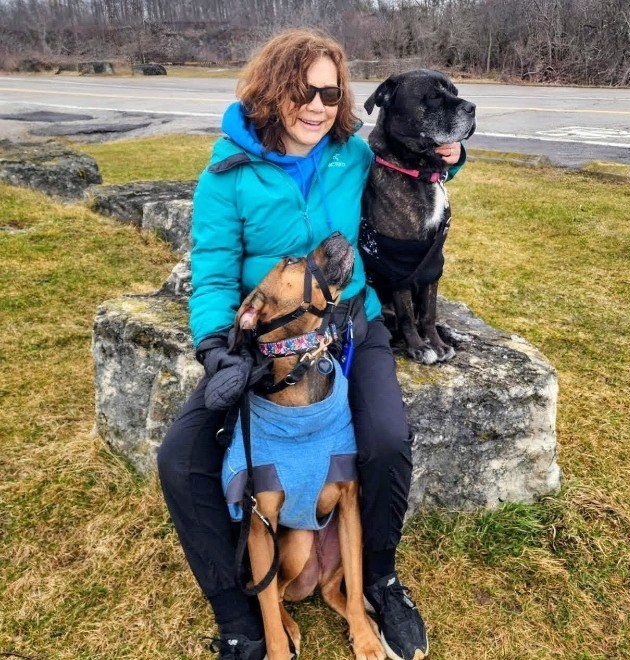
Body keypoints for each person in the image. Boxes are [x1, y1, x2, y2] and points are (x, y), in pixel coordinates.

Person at [157, 28, 465, 660]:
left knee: (386, 438)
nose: (318, 106)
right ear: (274, 91)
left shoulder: (350, 154)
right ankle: (238, 616)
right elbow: (213, 274)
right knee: (180, 460)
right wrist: (215, 348)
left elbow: (414, 154)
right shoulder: (227, 174)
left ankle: (379, 580)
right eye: (304, 91)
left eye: (330, 92)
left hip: (351, 324)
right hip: (264, 339)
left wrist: (450, 154)